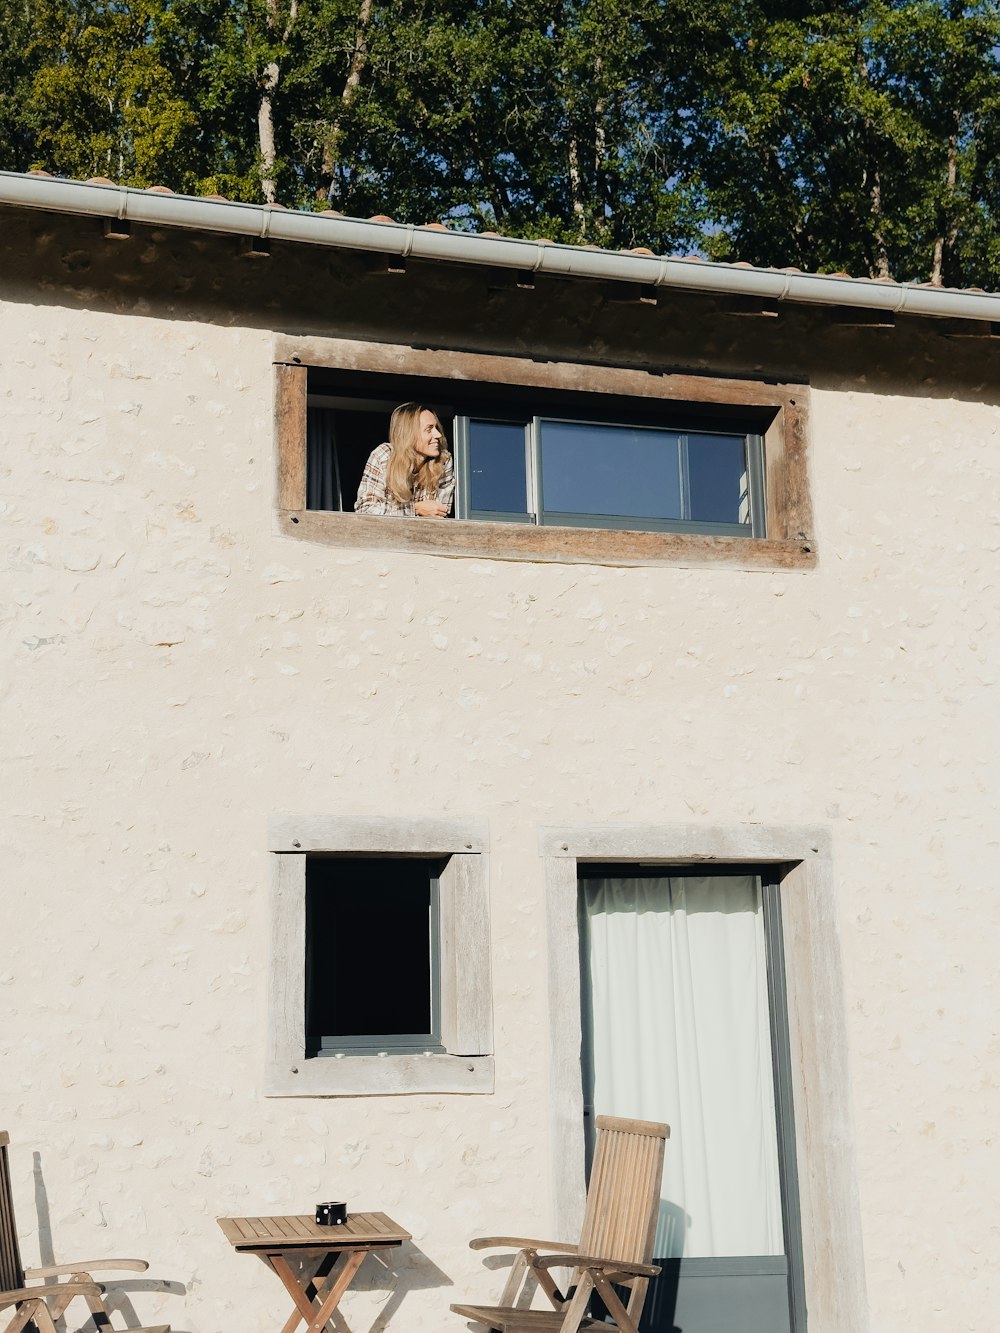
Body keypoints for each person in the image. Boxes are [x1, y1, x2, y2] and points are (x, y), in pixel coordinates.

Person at [354, 402, 454, 517]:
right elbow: (365, 509)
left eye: (436, 428)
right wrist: (415, 509)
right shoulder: (384, 455)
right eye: (429, 429)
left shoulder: (443, 460)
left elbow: (441, 513)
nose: (438, 435)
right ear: (409, 434)